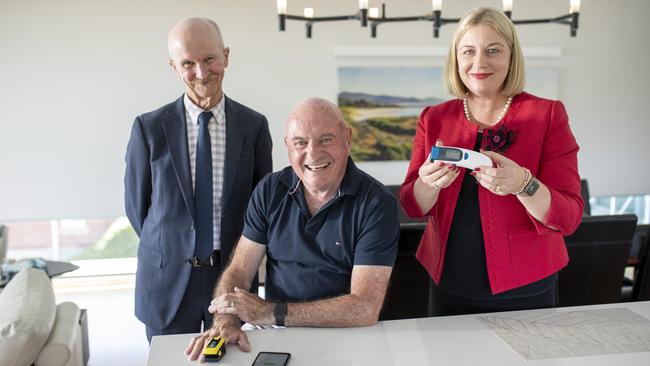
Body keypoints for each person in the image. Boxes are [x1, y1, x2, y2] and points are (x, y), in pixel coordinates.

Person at [399, 7, 584, 316]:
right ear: (456, 59)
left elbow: (569, 217)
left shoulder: (547, 115)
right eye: (468, 51)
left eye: (493, 50)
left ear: (511, 57)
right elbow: (411, 204)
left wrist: (523, 184)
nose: (479, 62)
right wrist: (427, 183)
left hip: (526, 285)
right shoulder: (433, 118)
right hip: (447, 282)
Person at [185, 97, 399, 360]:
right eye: (301, 143)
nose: (313, 153)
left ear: (347, 138)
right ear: (288, 146)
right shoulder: (269, 190)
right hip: (277, 332)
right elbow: (240, 269)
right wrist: (226, 321)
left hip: (347, 333)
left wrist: (270, 311)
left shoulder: (377, 203)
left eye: (326, 139)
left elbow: (365, 308)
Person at [124, 17, 273, 341]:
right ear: (174, 67)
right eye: (188, 63)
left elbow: (262, 208)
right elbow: (138, 209)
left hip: (231, 276)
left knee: (233, 358)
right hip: (167, 281)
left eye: (209, 59)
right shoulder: (148, 130)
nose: (202, 73)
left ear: (226, 56)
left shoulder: (254, 126)